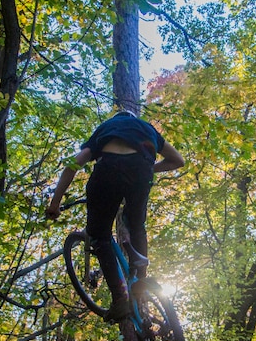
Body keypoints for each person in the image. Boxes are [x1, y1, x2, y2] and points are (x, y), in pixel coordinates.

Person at [46, 110, 185, 321]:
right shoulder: (147, 128)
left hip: (107, 171)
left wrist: (55, 203)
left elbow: (74, 164)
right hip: (141, 170)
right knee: (137, 224)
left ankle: (120, 298)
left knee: (99, 235)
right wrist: (145, 168)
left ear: (116, 120)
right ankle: (140, 275)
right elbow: (178, 160)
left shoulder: (107, 128)